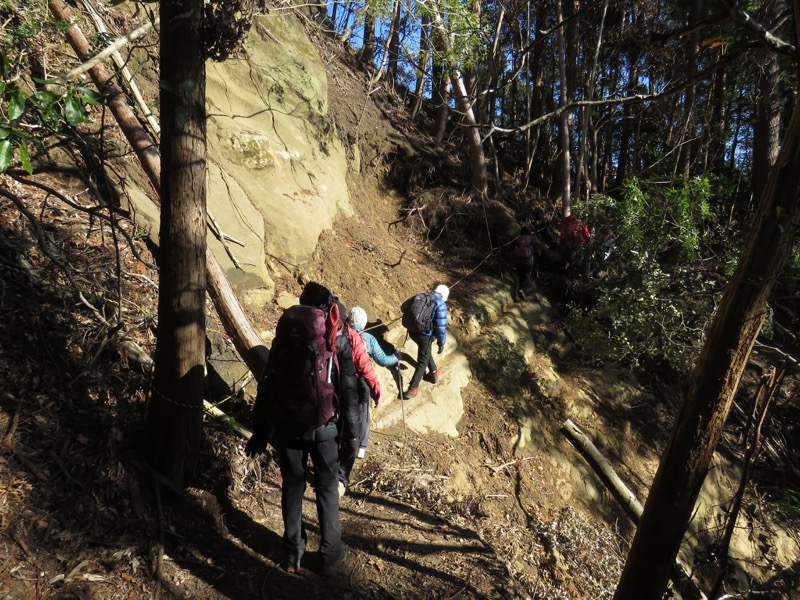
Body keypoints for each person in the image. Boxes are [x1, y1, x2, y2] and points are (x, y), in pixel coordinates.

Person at [244, 281, 353, 576]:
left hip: (287, 426)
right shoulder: (334, 337)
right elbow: (350, 393)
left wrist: (261, 429)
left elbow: (268, 382)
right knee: (327, 489)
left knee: (293, 486)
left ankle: (292, 554)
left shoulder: (284, 335)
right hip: (324, 428)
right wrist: (351, 438)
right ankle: (329, 557)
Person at [334, 300, 381, 497]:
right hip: (355, 386)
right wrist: (376, 391)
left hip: (333, 386)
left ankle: (332, 465)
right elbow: (371, 363)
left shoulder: (333, 333)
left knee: (337, 422)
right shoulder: (362, 337)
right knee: (361, 418)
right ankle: (360, 448)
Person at [348, 306, 401, 459]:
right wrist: (396, 357)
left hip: (341, 378)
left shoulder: (341, 333)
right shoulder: (368, 339)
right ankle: (361, 447)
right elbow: (383, 360)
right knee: (364, 413)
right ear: (363, 323)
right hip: (361, 381)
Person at [401, 284, 449, 399]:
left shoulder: (420, 295)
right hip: (425, 336)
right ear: (444, 295)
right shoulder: (440, 304)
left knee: (425, 353)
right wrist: (441, 343)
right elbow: (441, 327)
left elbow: (403, 308)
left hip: (412, 331)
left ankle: (434, 372)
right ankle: (413, 388)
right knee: (422, 360)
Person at [557, 213, 591, 280]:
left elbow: (587, 235)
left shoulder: (569, 223)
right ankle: (572, 272)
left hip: (573, 244)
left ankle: (572, 272)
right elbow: (588, 235)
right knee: (574, 258)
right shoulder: (579, 224)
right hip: (574, 244)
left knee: (574, 258)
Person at [512, 226, 536, 301]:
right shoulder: (531, 239)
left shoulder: (519, 238)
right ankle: (522, 290)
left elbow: (512, 246)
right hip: (527, 262)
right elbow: (535, 249)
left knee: (520, 276)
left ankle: (517, 294)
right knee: (527, 277)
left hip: (517, 260)